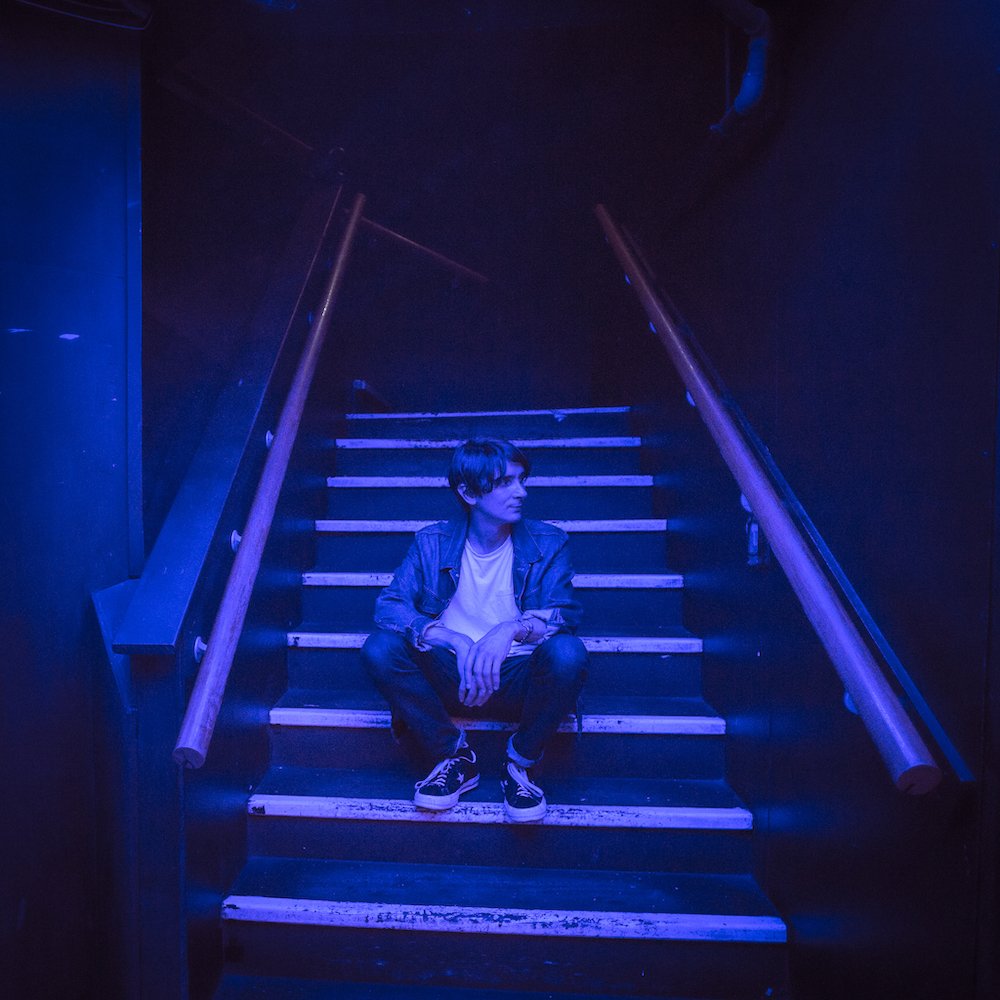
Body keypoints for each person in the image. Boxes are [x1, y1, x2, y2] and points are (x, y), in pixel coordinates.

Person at [361, 438, 588, 822]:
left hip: (519, 680)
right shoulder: (431, 542)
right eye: (505, 482)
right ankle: (454, 755)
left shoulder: (549, 541)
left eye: (522, 480)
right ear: (468, 493)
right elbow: (390, 606)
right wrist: (453, 638)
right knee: (380, 648)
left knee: (568, 653)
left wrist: (510, 630)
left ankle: (520, 764)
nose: (521, 492)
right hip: (453, 675)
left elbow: (563, 614)